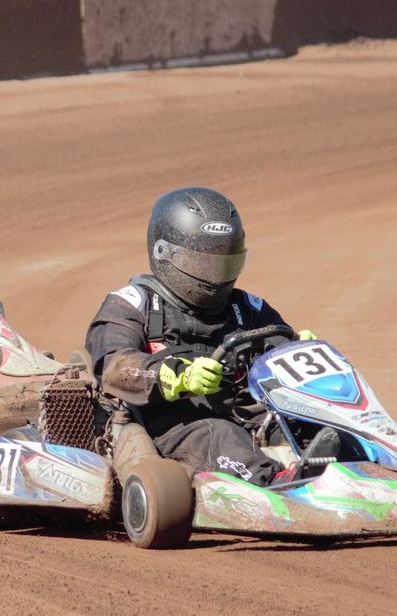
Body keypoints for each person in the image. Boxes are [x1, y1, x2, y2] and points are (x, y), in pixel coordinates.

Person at [84, 186, 336, 487]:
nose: (215, 276)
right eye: (204, 263)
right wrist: (175, 377)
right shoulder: (131, 304)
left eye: (225, 263)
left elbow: (278, 347)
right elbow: (114, 366)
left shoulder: (246, 307)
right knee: (220, 435)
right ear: (165, 253)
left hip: (244, 414)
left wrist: (298, 350)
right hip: (172, 425)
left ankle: (364, 463)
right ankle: (278, 484)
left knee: (306, 423)